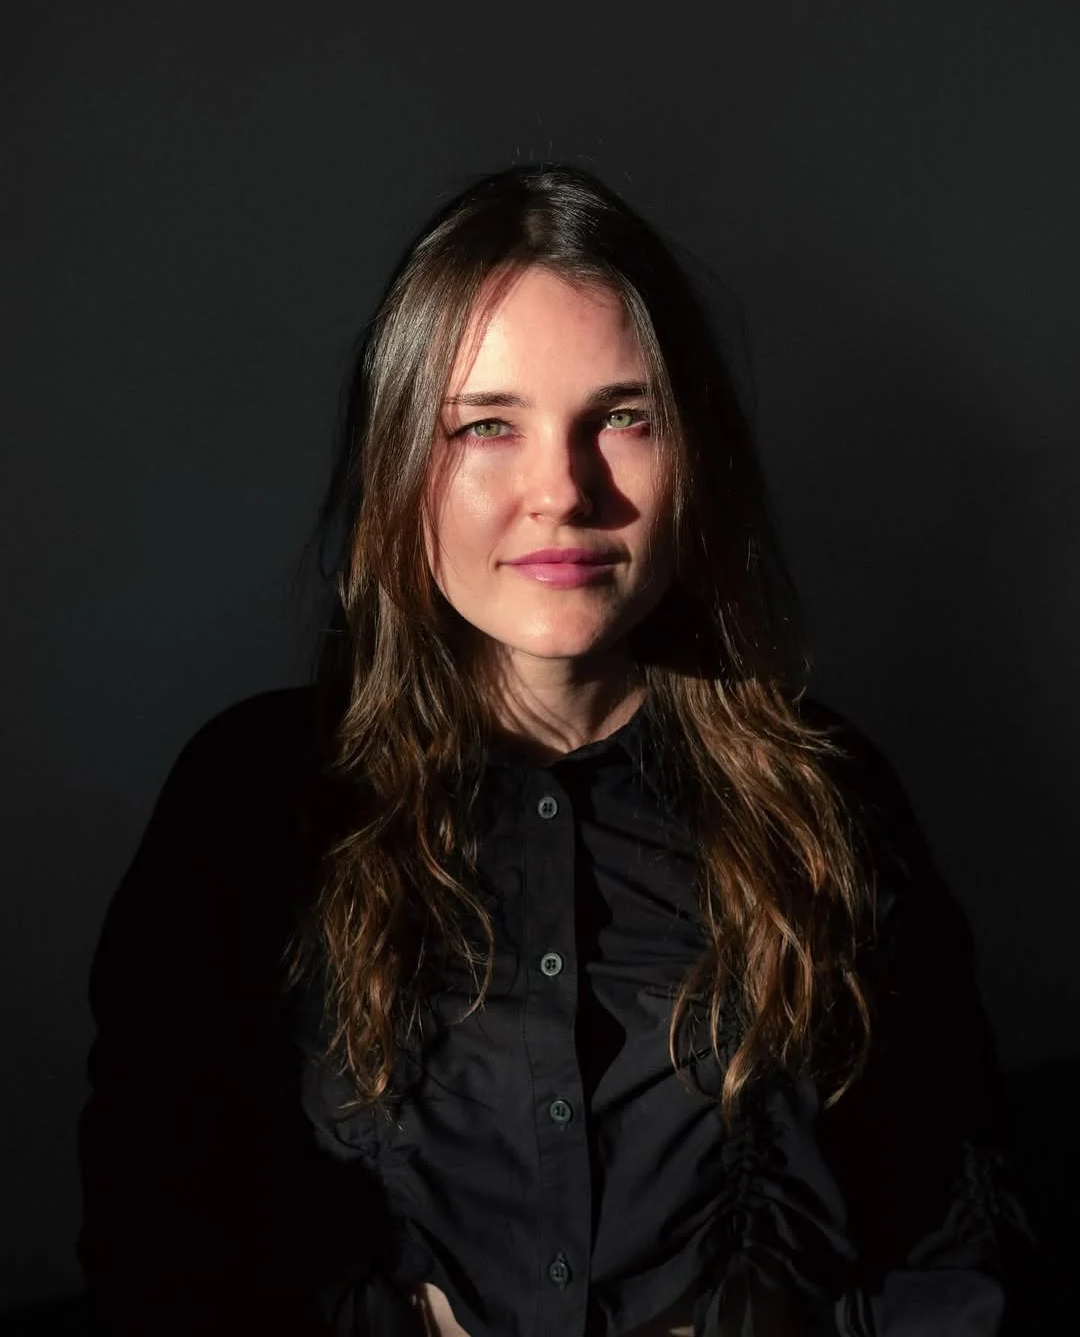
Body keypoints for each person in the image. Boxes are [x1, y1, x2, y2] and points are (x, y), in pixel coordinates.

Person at [79, 165, 1034, 1336]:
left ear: (696, 454)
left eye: (623, 417)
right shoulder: (251, 802)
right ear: (397, 466)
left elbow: (948, 1232)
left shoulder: (827, 796)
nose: (562, 493)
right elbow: (155, 1231)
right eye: (487, 425)